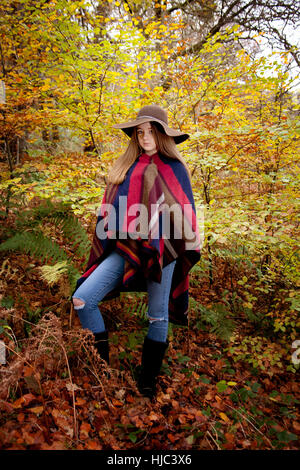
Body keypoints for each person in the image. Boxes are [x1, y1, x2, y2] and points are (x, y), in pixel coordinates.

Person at [72, 105, 201, 399]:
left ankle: (147, 386)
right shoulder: (126, 167)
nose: (144, 137)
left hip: (162, 251)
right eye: (139, 131)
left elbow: (184, 214)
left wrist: (170, 238)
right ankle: (102, 372)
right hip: (125, 248)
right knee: (83, 298)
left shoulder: (175, 168)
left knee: (157, 317)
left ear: (162, 134)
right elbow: (111, 209)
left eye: (151, 131)